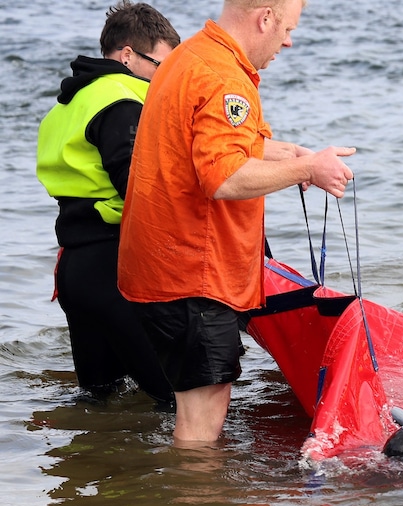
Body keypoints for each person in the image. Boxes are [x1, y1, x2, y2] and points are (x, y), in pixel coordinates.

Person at [117, 0, 356, 443]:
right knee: (203, 413)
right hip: (193, 276)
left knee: (199, 401)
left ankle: (186, 499)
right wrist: (307, 171)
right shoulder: (224, 76)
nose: (289, 40)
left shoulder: (189, 56)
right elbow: (224, 175)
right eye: (286, 28)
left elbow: (221, 144)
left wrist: (294, 154)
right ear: (264, 17)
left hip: (160, 269)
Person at [36, 1, 180, 407]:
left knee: (100, 402)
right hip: (115, 269)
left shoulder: (65, 105)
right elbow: (138, 187)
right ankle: (195, 470)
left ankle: (94, 463)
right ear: (128, 55)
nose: (162, 79)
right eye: (160, 66)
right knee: (181, 400)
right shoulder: (121, 98)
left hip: (75, 272)